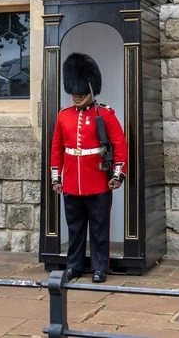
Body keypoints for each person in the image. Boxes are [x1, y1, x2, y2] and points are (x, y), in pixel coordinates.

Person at [50, 52, 127, 283]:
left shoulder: (105, 114)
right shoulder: (64, 116)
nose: (76, 96)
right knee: (75, 228)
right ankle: (74, 265)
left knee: (99, 229)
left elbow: (120, 145)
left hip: (98, 181)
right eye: (74, 92)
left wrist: (117, 175)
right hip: (72, 183)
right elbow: (57, 150)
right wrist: (56, 177)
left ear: (91, 90)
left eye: (81, 93)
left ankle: (99, 267)